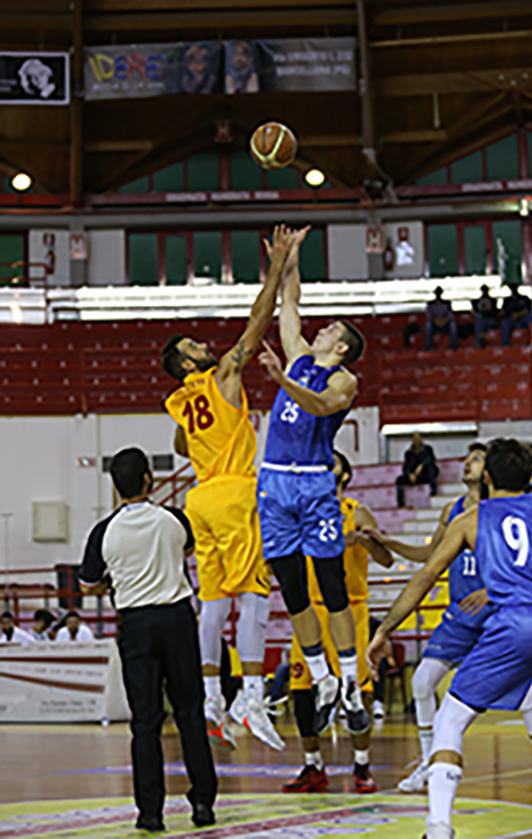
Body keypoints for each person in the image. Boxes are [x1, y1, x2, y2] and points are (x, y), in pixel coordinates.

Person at [368, 438, 532, 839]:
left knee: (451, 719)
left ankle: (439, 825)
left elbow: (423, 578)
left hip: (513, 623)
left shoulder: (470, 520)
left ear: (488, 476)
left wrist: (384, 629)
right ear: (530, 475)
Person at [162, 225, 296, 752]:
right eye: (194, 345)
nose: (203, 344)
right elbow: (257, 321)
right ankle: (253, 696)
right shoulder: (221, 376)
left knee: (213, 605)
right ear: (190, 363)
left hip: (199, 499)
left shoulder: (181, 398)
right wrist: (279, 265)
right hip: (237, 493)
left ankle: (212, 696)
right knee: (255, 598)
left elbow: (180, 446)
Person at [257, 229, 370, 735]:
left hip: (314, 485)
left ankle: (349, 680)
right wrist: (290, 259)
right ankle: (322, 677)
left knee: (332, 589)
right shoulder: (301, 354)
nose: (318, 331)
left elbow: (321, 406)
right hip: (274, 483)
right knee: (293, 591)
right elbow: (290, 301)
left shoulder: (344, 380)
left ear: (341, 346)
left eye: (329, 331)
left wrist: (283, 382)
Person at [79, 447, 216, 832]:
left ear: (113, 485)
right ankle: (203, 802)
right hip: (177, 618)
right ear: (148, 480)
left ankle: (150, 812)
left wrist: (116, 579)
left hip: (135, 626)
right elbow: (187, 549)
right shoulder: (174, 519)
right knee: (190, 714)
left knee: (145, 723)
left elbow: (88, 583)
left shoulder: (103, 532)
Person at [283, 450, 393, 794]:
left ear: (344, 475)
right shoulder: (302, 512)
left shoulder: (356, 512)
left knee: (355, 693)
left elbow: (386, 560)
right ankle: (313, 766)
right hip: (310, 612)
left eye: (331, 463)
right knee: (302, 694)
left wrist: (367, 540)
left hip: (349, 610)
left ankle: (361, 766)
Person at [396, 432, 439, 507]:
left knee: (431, 469)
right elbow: (406, 467)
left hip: (425, 473)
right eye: (414, 439)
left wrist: (421, 465)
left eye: (418, 439)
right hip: (414, 476)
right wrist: (410, 474)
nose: (416, 441)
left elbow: (431, 459)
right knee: (399, 480)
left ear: (421, 440)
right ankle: (401, 503)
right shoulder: (408, 453)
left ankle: (433, 490)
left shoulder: (428, 449)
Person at [425, 286, 457, 351]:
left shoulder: (447, 303)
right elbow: (429, 316)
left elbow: (451, 316)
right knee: (428, 325)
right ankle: (429, 347)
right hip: (435, 324)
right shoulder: (430, 304)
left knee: (453, 325)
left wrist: (444, 320)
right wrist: (436, 320)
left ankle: (453, 347)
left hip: (445, 324)